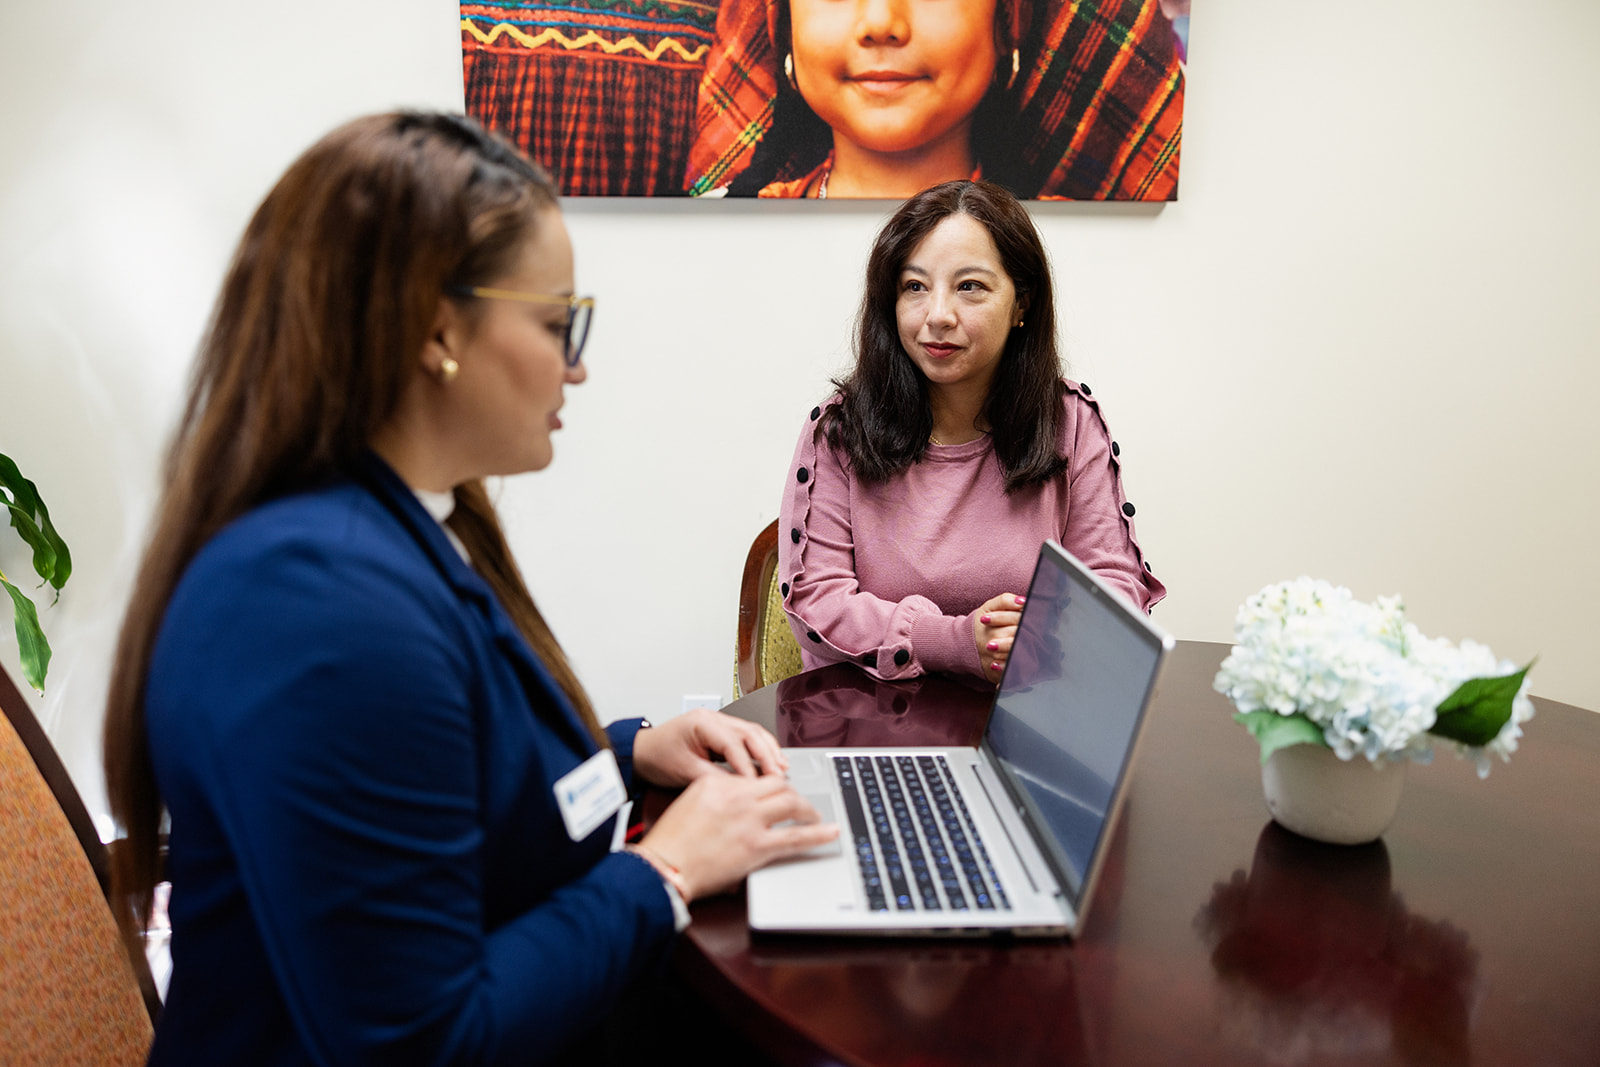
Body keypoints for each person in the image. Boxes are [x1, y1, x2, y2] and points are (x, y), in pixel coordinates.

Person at [101, 111, 835, 1065]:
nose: (576, 362)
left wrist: (630, 753)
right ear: (438, 327)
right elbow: (421, 1042)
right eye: (554, 319)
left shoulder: (392, 528)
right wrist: (666, 870)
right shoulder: (316, 606)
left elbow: (439, 777)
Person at [777, 179, 1164, 682]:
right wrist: (955, 641)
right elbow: (817, 600)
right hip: (868, 721)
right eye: (914, 287)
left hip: (1029, 707)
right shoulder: (840, 431)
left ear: (1021, 303)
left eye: (970, 287)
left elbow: (1114, 585)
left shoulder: (1068, 420)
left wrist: (1039, 629)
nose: (938, 316)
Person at [686, 0, 1184, 200]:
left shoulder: (1089, 257)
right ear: (783, 24)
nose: (881, 22)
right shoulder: (708, 237)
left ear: (1005, 22)